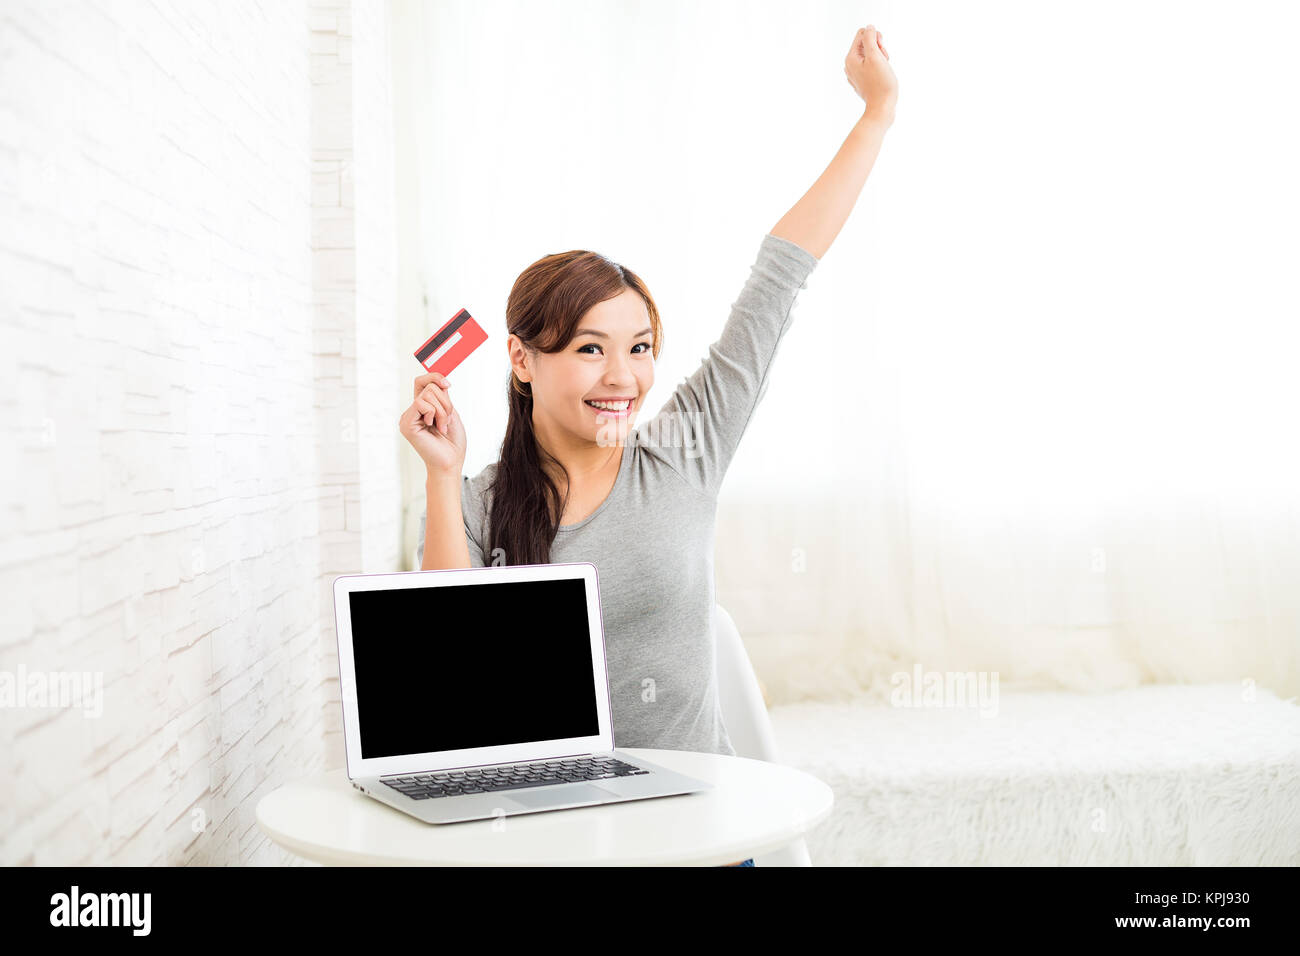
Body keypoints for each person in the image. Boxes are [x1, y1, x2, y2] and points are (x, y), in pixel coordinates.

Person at [400, 25, 897, 868]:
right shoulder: (482, 500)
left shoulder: (686, 449)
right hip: (550, 840)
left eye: (639, 347)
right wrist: (440, 478)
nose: (622, 376)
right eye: (589, 348)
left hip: (698, 841)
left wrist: (876, 116)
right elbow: (447, 667)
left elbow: (780, 274)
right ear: (522, 360)